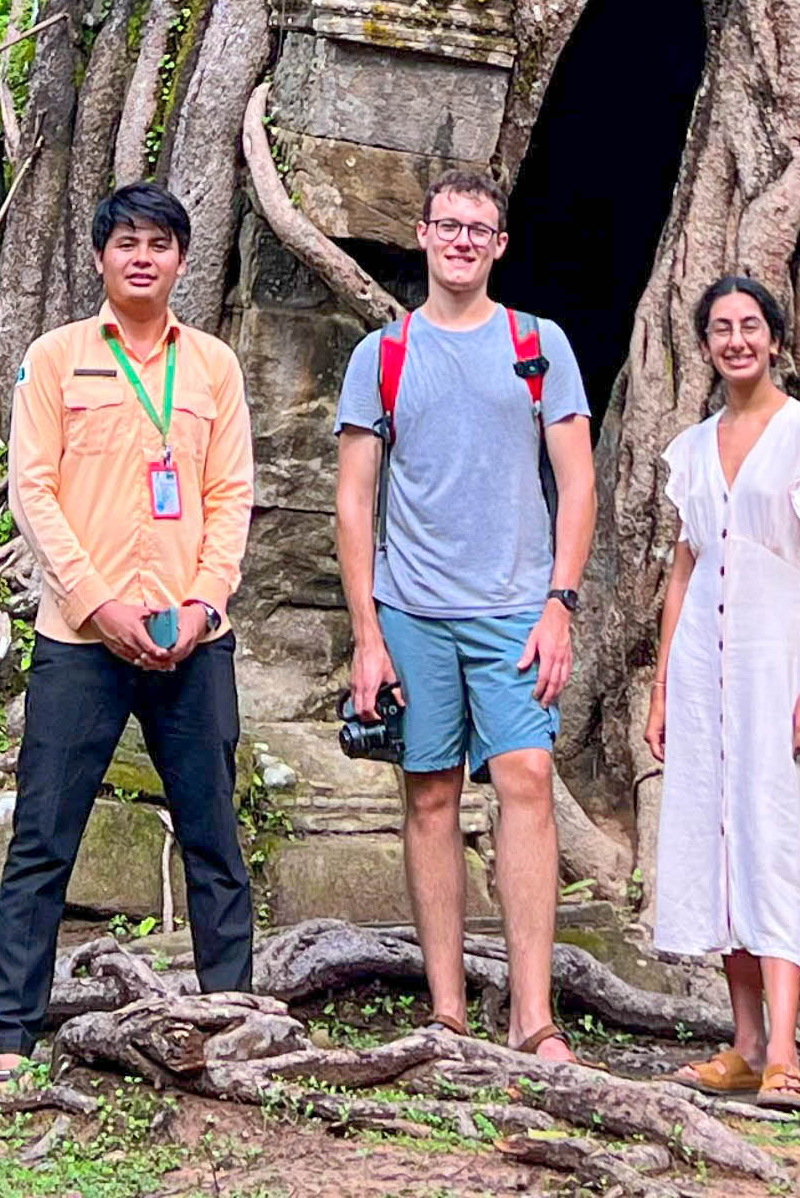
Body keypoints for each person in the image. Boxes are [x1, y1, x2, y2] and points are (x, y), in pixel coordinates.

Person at [0, 182, 258, 1080]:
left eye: (160, 244)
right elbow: (34, 491)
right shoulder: (56, 358)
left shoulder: (212, 366)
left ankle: (229, 1025)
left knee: (213, 838)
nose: (143, 258)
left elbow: (231, 496)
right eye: (127, 243)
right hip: (80, 642)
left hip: (193, 641)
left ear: (182, 259)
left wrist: (203, 605)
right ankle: (10, 1041)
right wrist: (98, 603)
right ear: (101, 257)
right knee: (42, 840)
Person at [335, 164, 599, 1058]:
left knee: (525, 779)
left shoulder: (537, 344)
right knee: (432, 792)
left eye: (477, 229)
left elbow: (577, 482)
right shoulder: (383, 355)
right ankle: (446, 1010)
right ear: (421, 234)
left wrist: (560, 602)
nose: (460, 242)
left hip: (516, 605)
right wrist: (366, 635)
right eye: (447, 226)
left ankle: (534, 1016)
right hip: (411, 606)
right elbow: (354, 500)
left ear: (500, 245)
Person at [644, 274, 800, 1115]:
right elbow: (684, 568)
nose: (736, 340)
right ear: (705, 345)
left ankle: (787, 1051)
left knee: (774, 833)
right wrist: (662, 688)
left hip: (777, 656)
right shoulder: (692, 448)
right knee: (720, 836)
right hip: (704, 665)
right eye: (721, 328)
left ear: (775, 339)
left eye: (750, 325)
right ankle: (746, 1041)